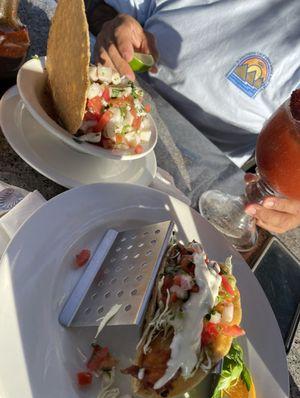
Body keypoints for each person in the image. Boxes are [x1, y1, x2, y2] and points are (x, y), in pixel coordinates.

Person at [86, 0, 300, 234]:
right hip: (103, 113)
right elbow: (99, 8)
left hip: (193, 188)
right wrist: (111, 24)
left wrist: (294, 209)